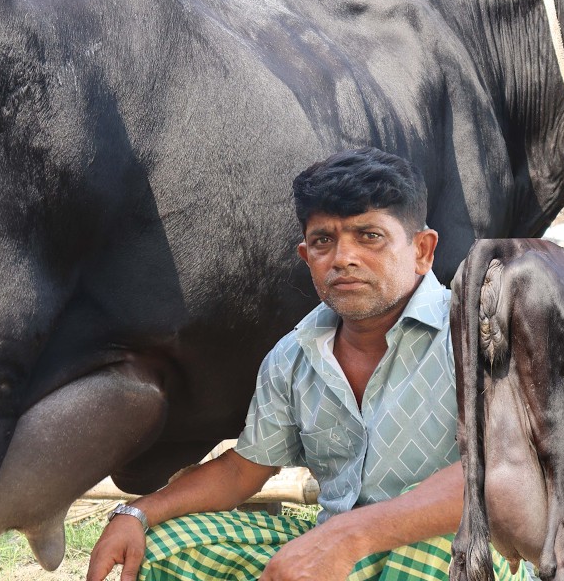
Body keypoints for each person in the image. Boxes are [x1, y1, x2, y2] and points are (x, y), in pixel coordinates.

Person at [86, 147, 528, 581]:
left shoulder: (477, 335)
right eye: (323, 241)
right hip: (333, 547)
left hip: (445, 553)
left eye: (369, 236)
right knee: (163, 550)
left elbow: (505, 472)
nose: (342, 258)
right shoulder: (293, 355)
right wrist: (136, 511)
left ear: (422, 251)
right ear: (307, 257)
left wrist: (349, 538)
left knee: (439, 549)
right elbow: (242, 471)